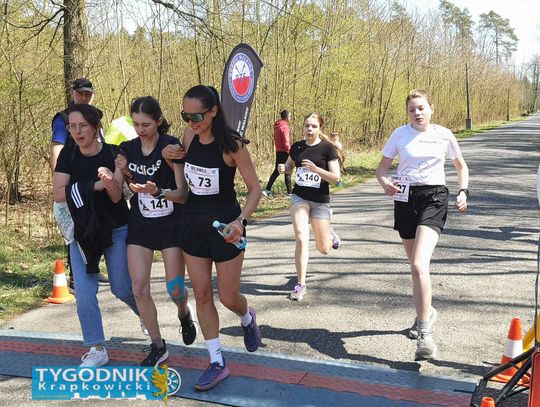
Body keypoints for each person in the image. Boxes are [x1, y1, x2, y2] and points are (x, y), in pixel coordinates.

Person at [168, 85, 262, 391]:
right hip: (192, 225)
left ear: (213, 112)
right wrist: (169, 157)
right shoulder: (189, 136)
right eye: (185, 115)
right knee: (202, 294)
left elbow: (255, 189)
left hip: (225, 229)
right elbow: (184, 181)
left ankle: (247, 317)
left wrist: (240, 221)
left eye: (196, 116)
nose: (190, 121)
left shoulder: (232, 145)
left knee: (228, 296)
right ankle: (217, 361)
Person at [375, 89, 469, 361]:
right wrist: (385, 183)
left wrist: (463, 191)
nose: (417, 113)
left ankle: (425, 335)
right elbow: (381, 169)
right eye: (412, 109)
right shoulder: (399, 134)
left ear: (431, 109)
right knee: (415, 268)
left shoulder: (444, 134)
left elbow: (461, 166)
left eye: (421, 108)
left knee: (419, 264)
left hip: (434, 197)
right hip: (405, 198)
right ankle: (426, 312)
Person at [52, 104, 143, 367]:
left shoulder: (113, 153)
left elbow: (116, 197)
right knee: (84, 291)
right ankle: (96, 348)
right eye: (72, 127)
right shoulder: (68, 155)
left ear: (96, 127)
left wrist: (111, 181)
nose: (77, 132)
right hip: (83, 232)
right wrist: (94, 185)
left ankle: (146, 316)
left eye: (83, 126)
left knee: (122, 288)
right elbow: (58, 194)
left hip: (116, 227)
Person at [115, 96, 198, 366]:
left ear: (159, 121)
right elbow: (120, 190)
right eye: (136, 124)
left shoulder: (171, 146)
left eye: (146, 124)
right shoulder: (127, 149)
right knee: (139, 288)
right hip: (140, 224)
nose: (140, 129)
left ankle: (184, 313)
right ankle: (158, 345)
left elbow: (183, 194)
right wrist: (121, 175)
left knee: (175, 289)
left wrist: (158, 191)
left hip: (171, 224)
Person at [50, 77, 109, 287]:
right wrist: (58, 179)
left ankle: (93, 266)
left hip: (95, 178)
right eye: (80, 93)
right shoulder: (63, 118)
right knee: (76, 228)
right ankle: (76, 276)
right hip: (72, 178)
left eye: (88, 94)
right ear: (73, 94)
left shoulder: (96, 116)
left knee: (95, 223)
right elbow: (57, 147)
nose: (84, 97)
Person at [278, 112, 341, 301]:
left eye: (313, 126)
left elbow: (336, 179)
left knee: (324, 249)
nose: (310, 129)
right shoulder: (297, 147)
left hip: (320, 200)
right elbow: (290, 166)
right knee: (301, 236)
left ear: (320, 128)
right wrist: (284, 168)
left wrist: (317, 169)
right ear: (303, 127)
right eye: (307, 126)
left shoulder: (328, 149)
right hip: (300, 197)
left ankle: (330, 234)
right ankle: (301, 284)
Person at [262, 110, 292, 198]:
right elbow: (286, 141)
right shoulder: (284, 126)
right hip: (285, 151)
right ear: (287, 117)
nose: (290, 118)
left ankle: (267, 189)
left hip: (278, 151)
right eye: (290, 116)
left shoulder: (277, 125)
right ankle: (290, 193)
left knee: (277, 171)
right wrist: (289, 151)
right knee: (288, 170)